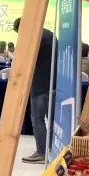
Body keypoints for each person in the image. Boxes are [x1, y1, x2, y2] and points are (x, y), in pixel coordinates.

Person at [13, 18, 55, 164]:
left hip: (40, 85)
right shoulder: (49, 35)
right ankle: (51, 149)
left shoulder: (35, 37)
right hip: (53, 83)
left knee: (37, 119)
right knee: (51, 120)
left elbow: (25, 61)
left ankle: (42, 152)